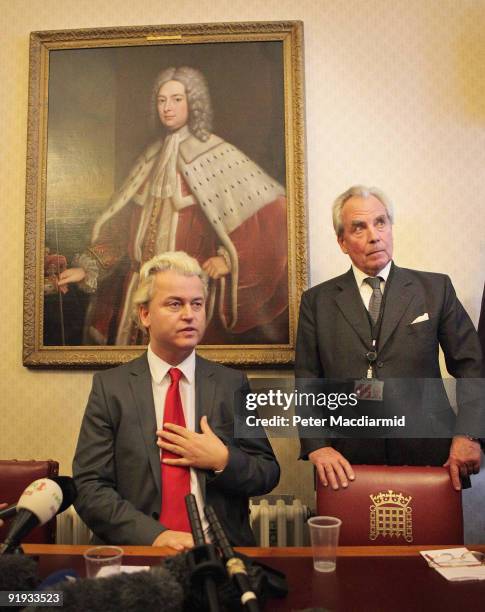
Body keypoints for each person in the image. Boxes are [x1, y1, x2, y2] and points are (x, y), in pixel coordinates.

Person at [58, 66, 288, 346]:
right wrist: (88, 267)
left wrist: (227, 259)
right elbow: (122, 229)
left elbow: (275, 215)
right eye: (162, 100)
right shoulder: (152, 157)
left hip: (188, 298)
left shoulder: (219, 155)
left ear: (194, 102)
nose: (168, 108)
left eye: (177, 99)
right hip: (138, 297)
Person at [72, 251, 279, 549]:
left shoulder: (232, 383)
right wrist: (155, 536)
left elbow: (267, 472)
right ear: (145, 314)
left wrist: (222, 460)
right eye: (174, 304)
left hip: (219, 554)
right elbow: (89, 487)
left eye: (197, 304)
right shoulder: (110, 388)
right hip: (138, 551)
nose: (189, 314)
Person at [295, 185, 484, 492]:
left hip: (431, 454)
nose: (374, 235)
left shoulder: (435, 289)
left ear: (391, 228)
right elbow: (307, 379)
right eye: (359, 227)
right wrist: (316, 445)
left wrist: (469, 434)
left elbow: (472, 366)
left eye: (380, 222)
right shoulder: (317, 301)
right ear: (342, 242)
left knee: (433, 541)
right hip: (346, 461)